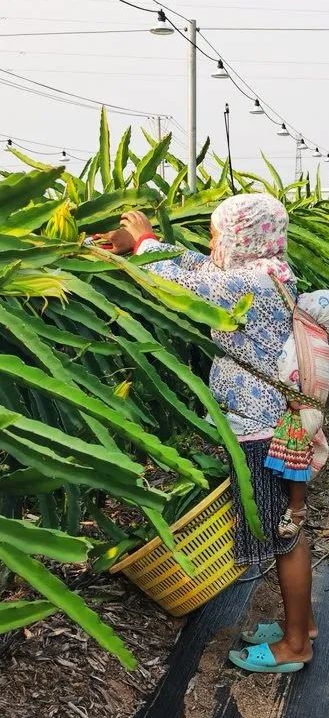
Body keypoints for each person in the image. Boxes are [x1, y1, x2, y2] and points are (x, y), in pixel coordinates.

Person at [103, 194, 316, 674]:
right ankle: (303, 624)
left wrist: (145, 243)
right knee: (290, 530)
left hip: (262, 433)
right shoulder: (269, 270)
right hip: (272, 422)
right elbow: (203, 270)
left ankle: (296, 645)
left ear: (241, 238)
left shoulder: (251, 282)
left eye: (219, 234)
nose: (212, 242)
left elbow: (188, 287)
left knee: (284, 536)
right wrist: (139, 245)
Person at [267, 289, 329, 539]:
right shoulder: (317, 340)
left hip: (302, 412)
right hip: (307, 410)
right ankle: (294, 504)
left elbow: (290, 369)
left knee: (295, 455)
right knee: (293, 455)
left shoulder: (309, 341)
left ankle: (297, 507)